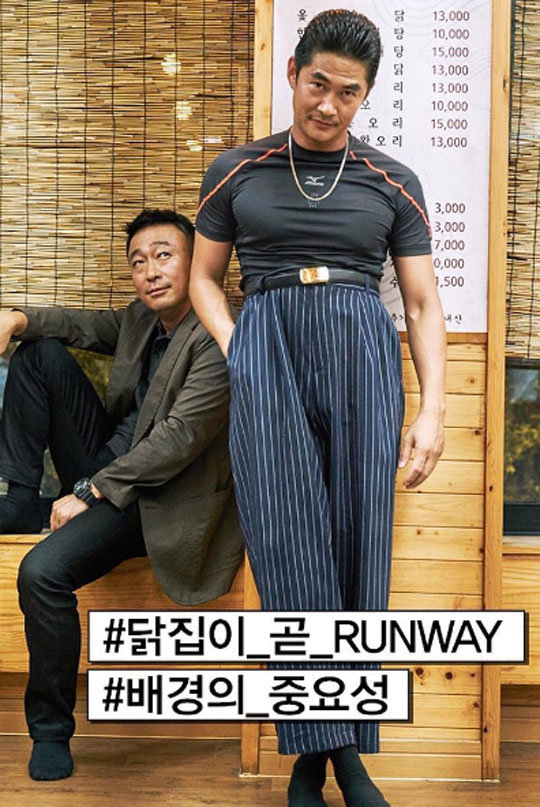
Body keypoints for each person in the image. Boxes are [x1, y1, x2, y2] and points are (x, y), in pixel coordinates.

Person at [189, 9, 446, 807]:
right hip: (266, 340)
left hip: (362, 348)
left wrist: (434, 409)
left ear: (365, 96)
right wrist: (238, 344)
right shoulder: (237, 170)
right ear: (294, 73)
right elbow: (204, 278)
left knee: (358, 545)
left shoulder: (392, 180)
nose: (328, 104)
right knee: (287, 547)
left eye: (348, 92)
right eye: (318, 84)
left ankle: (331, 757)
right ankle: (323, 756)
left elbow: (421, 303)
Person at [0, 208, 244, 781]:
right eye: (138, 262)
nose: (150, 271)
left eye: (164, 255)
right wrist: (17, 318)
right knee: (40, 351)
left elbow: (179, 440)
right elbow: (76, 324)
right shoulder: (141, 320)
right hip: (108, 467)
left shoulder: (218, 336)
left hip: (158, 499)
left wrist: (90, 490)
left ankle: (51, 732)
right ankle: (18, 497)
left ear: (196, 261)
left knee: (41, 572)